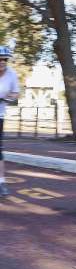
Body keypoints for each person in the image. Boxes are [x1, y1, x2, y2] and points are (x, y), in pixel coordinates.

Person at [0, 46, 19, 196]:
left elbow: (15, 93)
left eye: (4, 59)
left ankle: (1, 183)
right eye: (0, 59)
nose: (2, 62)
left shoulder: (11, 74)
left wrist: (8, 98)